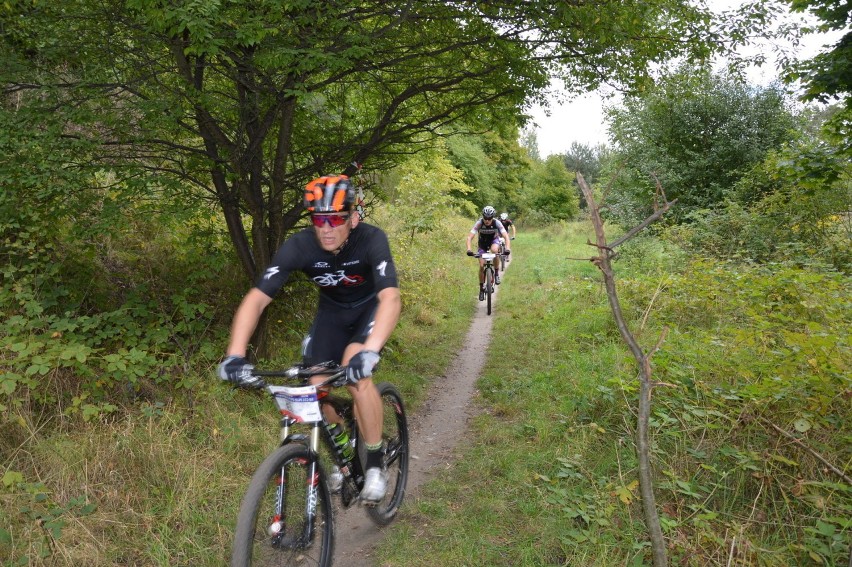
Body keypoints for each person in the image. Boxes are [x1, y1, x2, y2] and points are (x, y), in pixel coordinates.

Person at [218, 174, 401, 503]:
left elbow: (391, 298)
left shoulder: (372, 239)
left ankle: (374, 462)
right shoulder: (301, 245)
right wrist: (234, 354)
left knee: (355, 369)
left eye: (335, 219)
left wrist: (371, 351)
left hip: (369, 312)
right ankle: (346, 453)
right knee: (315, 387)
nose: (326, 228)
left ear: (353, 218)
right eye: (319, 219)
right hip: (331, 315)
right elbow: (257, 298)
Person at [465, 205, 510, 301]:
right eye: (485, 218)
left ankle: (496, 274)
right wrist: (469, 249)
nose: (487, 220)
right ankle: (481, 289)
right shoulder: (479, 223)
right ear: (483, 217)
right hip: (482, 244)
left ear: (492, 217)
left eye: (489, 218)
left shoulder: (497, 222)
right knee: (481, 266)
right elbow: (469, 237)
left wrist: (507, 248)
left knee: (495, 251)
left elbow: (506, 236)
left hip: (494, 241)